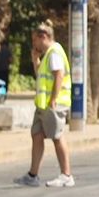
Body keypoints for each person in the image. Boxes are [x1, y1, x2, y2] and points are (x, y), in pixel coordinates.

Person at [16, 22, 75, 187]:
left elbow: (59, 75)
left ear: (44, 37)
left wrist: (54, 98)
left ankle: (66, 175)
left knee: (57, 136)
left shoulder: (55, 52)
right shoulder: (48, 54)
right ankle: (32, 175)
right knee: (37, 135)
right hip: (43, 105)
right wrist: (35, 60)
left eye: (35, 40)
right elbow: (41, 76)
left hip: (54, 104)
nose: (34, 44)